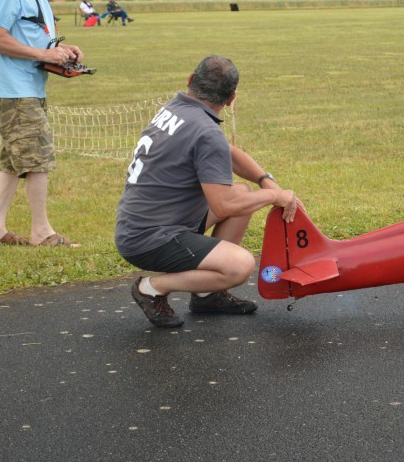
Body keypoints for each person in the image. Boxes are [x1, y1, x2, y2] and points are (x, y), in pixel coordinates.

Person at [116, 55, 299, 327]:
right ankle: (151, 288)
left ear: (190, 80)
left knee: (242, 192)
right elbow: (223, 206)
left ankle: (207, 294)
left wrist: (264, 179)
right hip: (151, 238)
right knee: (240, 266)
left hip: (139, 224)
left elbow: (230, 154)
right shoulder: (205, 131)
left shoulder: (178, 108)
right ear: (232, 97)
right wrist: (274, 196)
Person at [0, 0, 84, 248]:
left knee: (13, 161)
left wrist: (60, 51)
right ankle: (43, 232)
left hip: (26, 85)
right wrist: (43, 53)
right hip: (13, 88)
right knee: (38, 157)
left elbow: (29, 31)